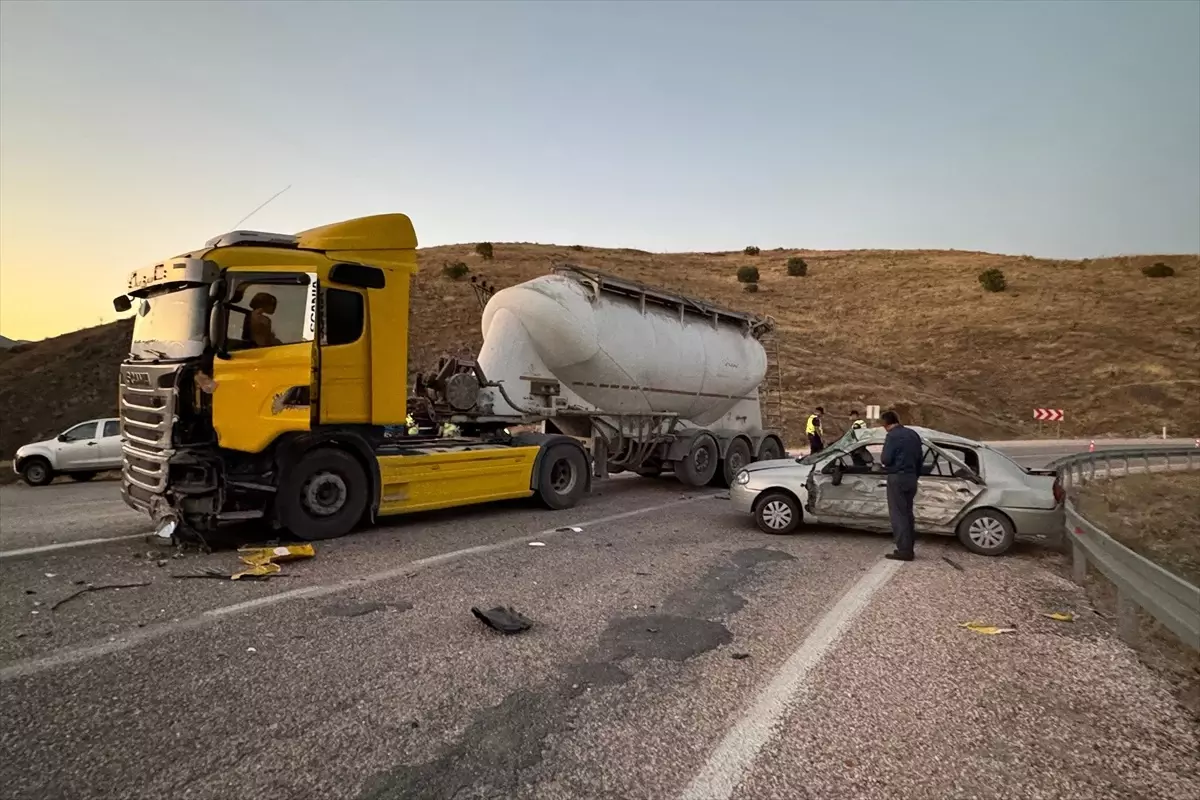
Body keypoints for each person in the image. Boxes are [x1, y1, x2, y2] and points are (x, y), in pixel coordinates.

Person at [880, 409, 923, 561]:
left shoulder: (892, 436)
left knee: (898, 515)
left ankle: (904, 551)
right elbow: (920, 458)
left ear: (885, 424)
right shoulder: (913, 434)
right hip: (911, 478)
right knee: (908, 514)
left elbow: (885, 459)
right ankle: (909, 547)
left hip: (897, 477)